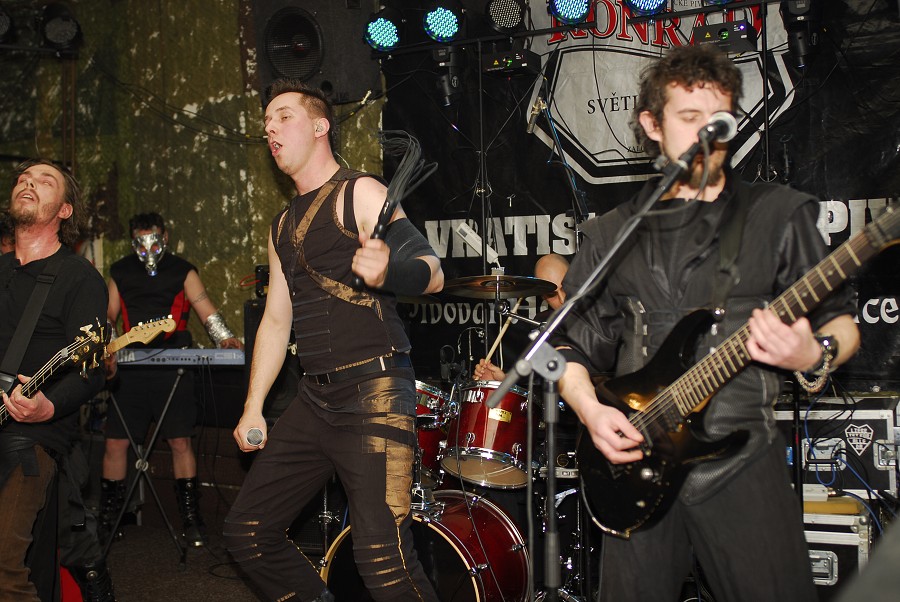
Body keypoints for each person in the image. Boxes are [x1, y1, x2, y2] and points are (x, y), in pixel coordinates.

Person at [551, 45, 860, 602]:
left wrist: (813, 354)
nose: (707, 133)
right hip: (637, 459)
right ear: (652, 125)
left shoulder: (778, 214)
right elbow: (567, 346)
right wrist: (591, 412)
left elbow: (842, 323)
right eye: (689, 117)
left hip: (742, 460)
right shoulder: (613, 232)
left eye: (719, 118)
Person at [224, 79, 444, 602]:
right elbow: (276, 321)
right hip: (315, 400)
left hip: (375, 392)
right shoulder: (282, 224)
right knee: (248, 533)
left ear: (320, 126)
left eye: (283, 117)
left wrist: (391, 272)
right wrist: (253, 407)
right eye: (266, 122)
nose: (270, 129)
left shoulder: (359, 192)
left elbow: (433, 272)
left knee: (384, 561)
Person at [0, 159, 114, 600]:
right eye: (23, 180)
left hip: (31, 437)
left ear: (64, 210)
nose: (28, 184)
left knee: (5, 567)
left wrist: (48, 405)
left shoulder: (78, 277)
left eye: (44, 181)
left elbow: (91, 372)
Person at [102, 212, 242, 548]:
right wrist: (107, 345)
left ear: (165, 237)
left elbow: (204, 308)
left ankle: (191, 520)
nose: (147, 247)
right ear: (133, 241)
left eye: (153, 239)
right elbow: (108, 315)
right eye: (140, 241)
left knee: (180, 441)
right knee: (116, 443)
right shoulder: (120, 271)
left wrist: (225, 338)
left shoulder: (183, 270)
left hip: (174, 367)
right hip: (129, 370)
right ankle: (109, 520)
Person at [473, 252, 569, 381]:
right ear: (543, 296)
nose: (562, 299)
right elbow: (533, 374)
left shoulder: (594, 316)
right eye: (552, 294)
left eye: (565, 288)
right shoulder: (542, 323)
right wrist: (503, 379)